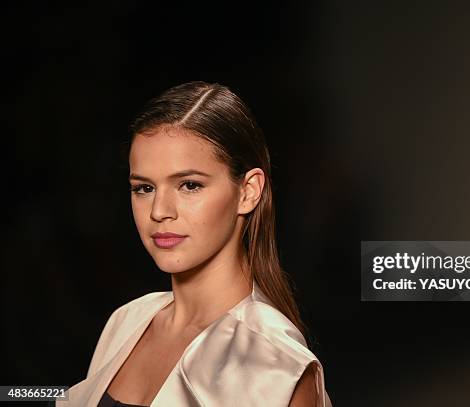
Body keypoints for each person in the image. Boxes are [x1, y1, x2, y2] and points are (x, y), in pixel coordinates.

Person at [56, 82, 332, 406]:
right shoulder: (126, 322)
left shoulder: (276, 365)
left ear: (248, 191)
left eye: (189, 185)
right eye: (144, 188)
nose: (159, 212)